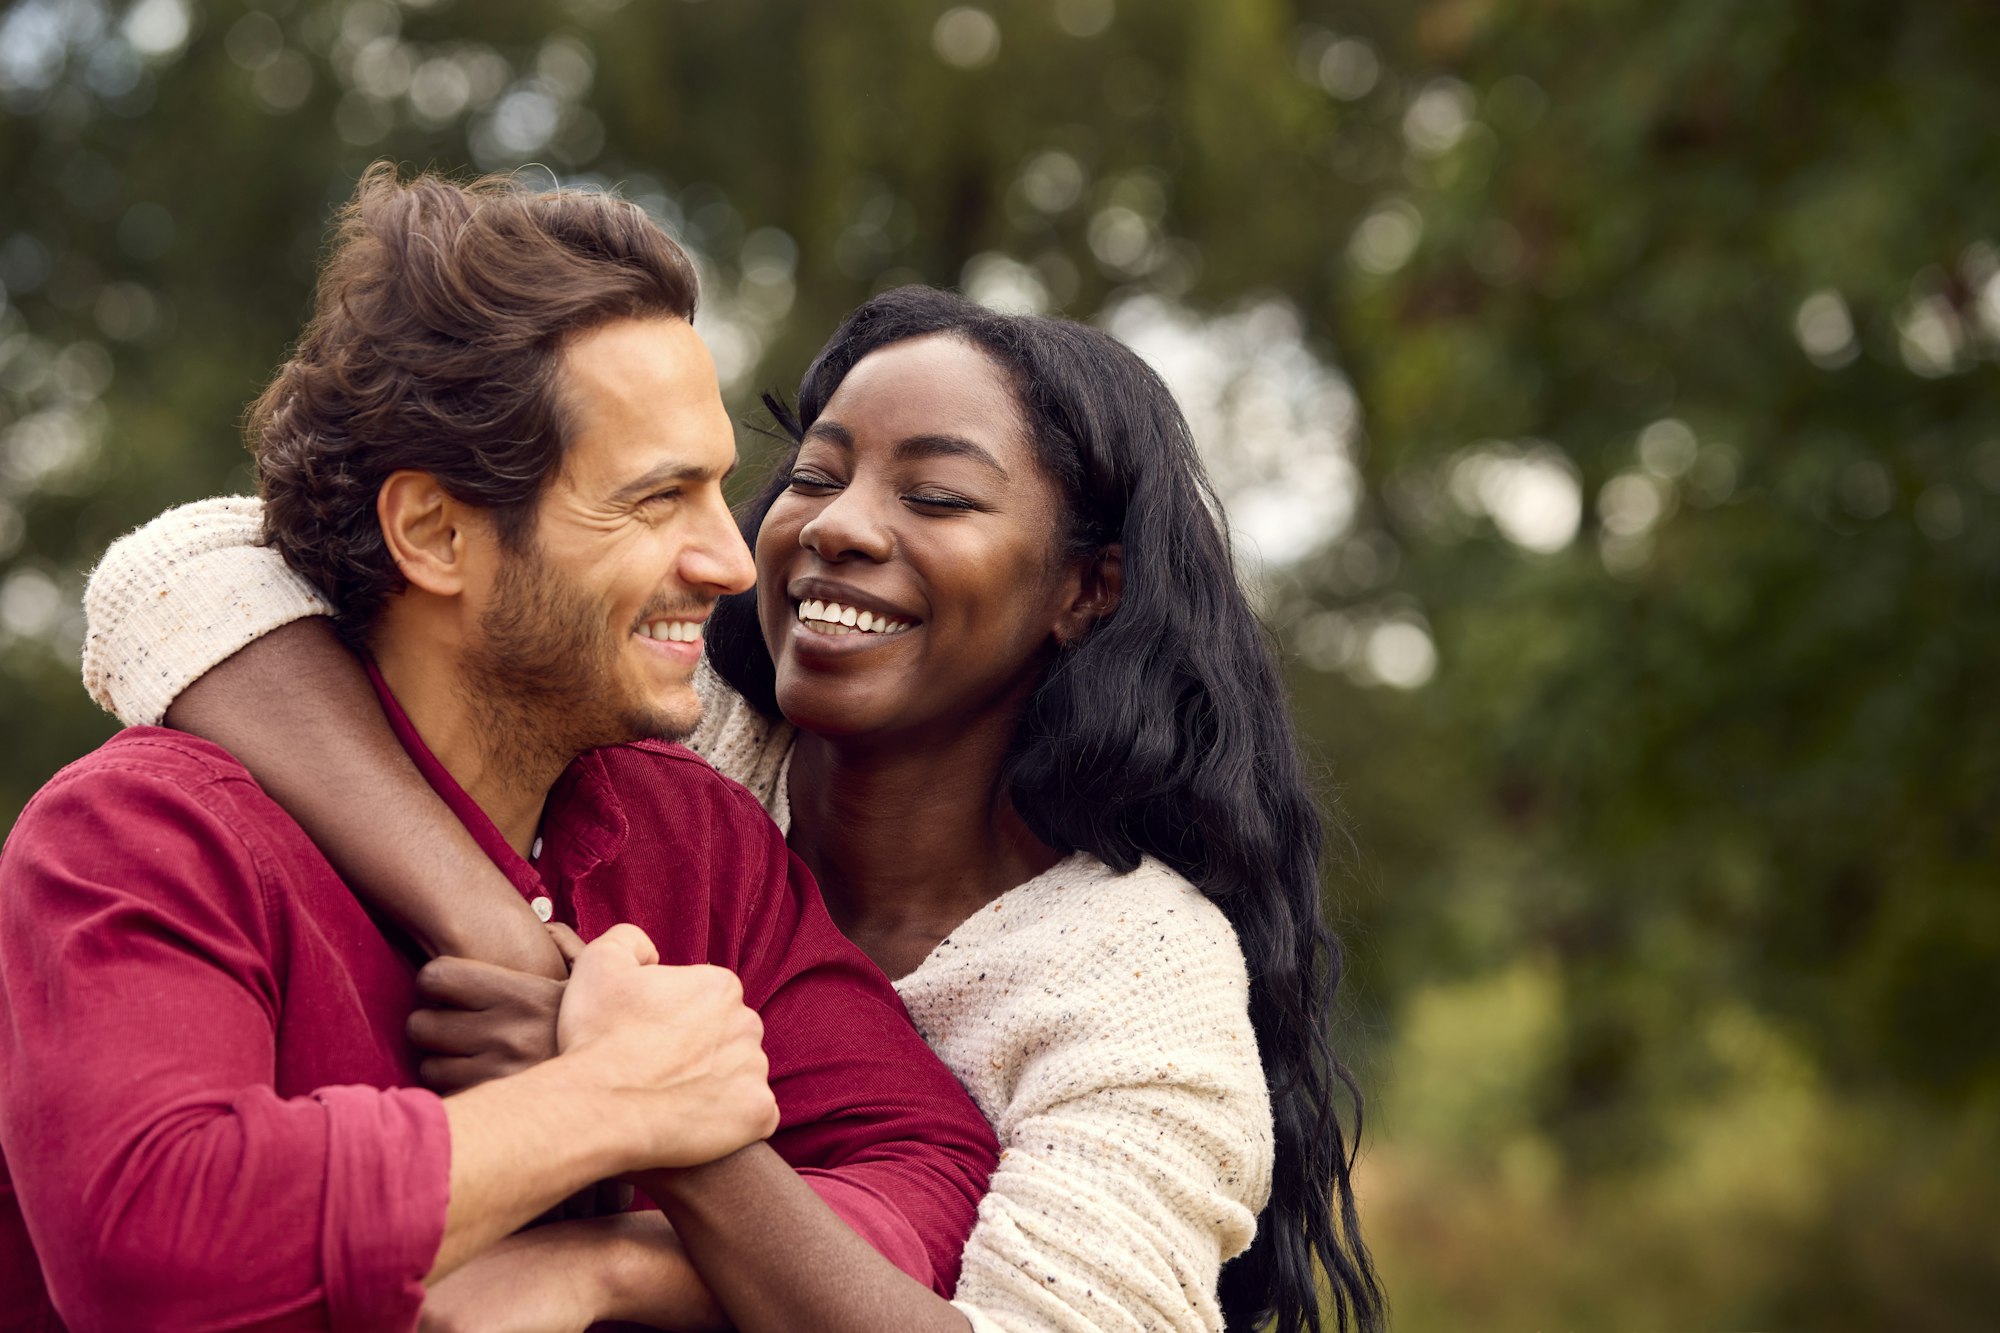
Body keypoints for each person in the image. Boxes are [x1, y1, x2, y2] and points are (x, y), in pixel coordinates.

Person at [85, 288, 1384, 1331]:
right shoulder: (677, 727)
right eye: (815, 476)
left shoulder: (1134, 969)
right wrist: (509, 936)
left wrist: (631, 1218)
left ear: (1085, 591)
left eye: (933, 496)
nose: (838, 528)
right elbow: (179, 573)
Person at [2, 166, 1001, 1332]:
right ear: (434, 532)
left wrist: (633, 1246)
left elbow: (933, 1171)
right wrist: (607, 1103)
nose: (731, 564)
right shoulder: (140, 835)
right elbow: (152, 1244)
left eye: (718, 488)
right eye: (653, 499)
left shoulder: (693, 836)